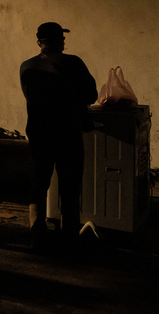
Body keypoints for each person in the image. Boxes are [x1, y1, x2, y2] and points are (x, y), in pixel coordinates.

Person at [20, 22, 97, 248]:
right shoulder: (73, 63)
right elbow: (91, 94)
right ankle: (69, 236)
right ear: (59, 41)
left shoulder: (26, 66)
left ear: (39, 42)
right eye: (62, 38)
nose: (64, 42)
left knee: (39, 183)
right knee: (69, 187)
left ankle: (37, 233)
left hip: (38, 135)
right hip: (67, 135)